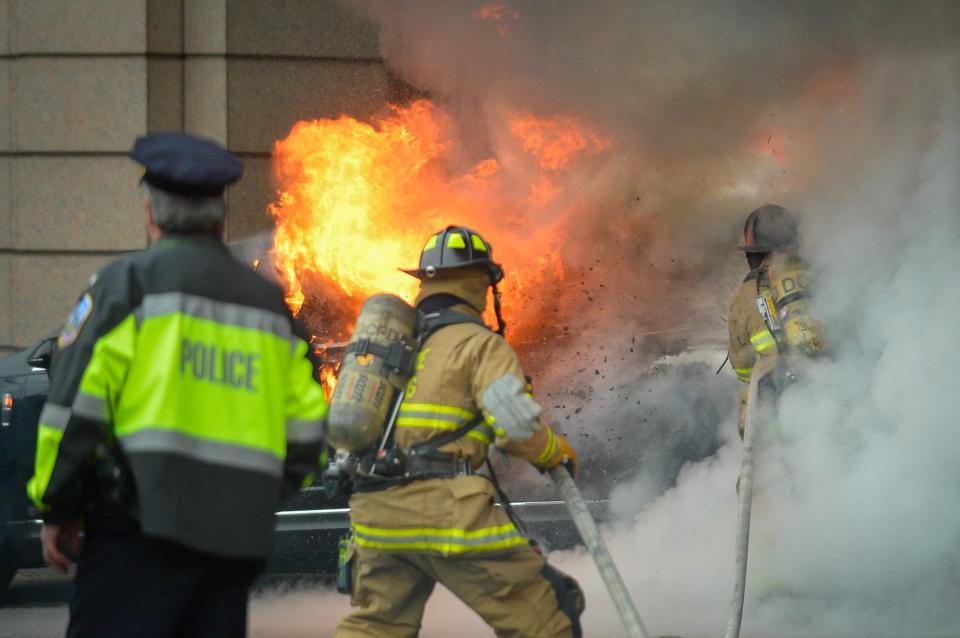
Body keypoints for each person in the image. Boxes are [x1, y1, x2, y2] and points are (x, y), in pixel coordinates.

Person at [27, 132, 328, 637]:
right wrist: (258, 496)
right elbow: (307, 431)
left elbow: (73, 409)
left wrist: (57, 505)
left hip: (137, 535)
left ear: (152, 212)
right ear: (220, 215)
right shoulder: (267, 306)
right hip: (233, 542)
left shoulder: (125, 288)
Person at [335, 226, 583, 638]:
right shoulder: (478, 344)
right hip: (446, 515)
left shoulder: (393, 345)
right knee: (546, 618)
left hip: (374, 516)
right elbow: (517, 429)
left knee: (375, 626)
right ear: (478, 283)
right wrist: (555, 452)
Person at [726, 203, 826, 437]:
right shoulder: (822, 277)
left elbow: (742, 368)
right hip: (827, 394)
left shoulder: (744, 296)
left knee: (752, 414)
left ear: (754, 253)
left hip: (777, 413)